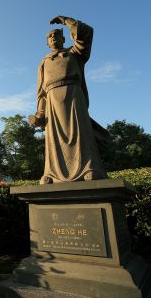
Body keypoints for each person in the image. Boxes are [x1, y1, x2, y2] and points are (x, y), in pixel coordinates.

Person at [29, 15, 108, 184]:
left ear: (64, 38)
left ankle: (89, 168)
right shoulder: (44, 62)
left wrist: (66, 21)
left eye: (56, 35)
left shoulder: (75, 54)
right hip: (51, 101)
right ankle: (52, 173)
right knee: (53, 140)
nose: (53, 38)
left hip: (73, 96)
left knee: (80, 133)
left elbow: (86, 33)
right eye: (49, 36)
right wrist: (40, 112)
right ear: (47, 43)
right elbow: (41, 92)